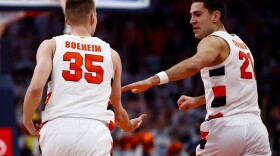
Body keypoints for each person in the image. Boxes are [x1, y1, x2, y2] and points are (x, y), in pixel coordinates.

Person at [122, 0, 271, 155]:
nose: (192, 20)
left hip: (226, 127)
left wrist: (153, 80)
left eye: (198, 14)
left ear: (216, 16)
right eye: (191, 15)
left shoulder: (212, 40)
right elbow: (232, 90)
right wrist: (197, 100)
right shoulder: (241, 45)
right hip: (256, 130)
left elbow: (194, 64)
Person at [23, 0, 146, 155]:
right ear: (93, 18)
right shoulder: (112, 55)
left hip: (57, 130)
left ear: (66, 20)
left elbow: (35, 89)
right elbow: (118, 110)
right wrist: (128, 125)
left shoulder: (50, 45)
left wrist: (27, 120)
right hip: (94, 133)